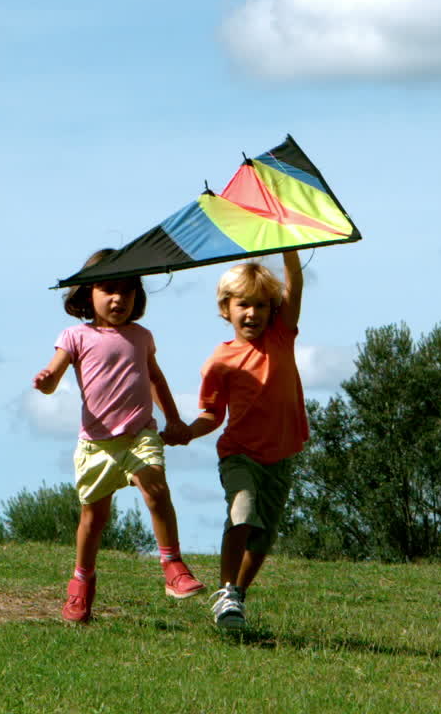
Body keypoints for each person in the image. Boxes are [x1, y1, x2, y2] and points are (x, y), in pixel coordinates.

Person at [33, 248, 204, 624]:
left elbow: (155, 378)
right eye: (108, 289)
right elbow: (54, 374)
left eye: (127, 291)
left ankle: (173, 566)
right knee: (93, 519)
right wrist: (46, 383)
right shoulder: (75, 336)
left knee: (156, 490)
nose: (118, 298)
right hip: (97, 445)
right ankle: (81, 585)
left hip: (139, 434)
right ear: (86, 294)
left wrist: (173, 419)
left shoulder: (141, 336)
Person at [172, 251, 308, 630]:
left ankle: (237, 597)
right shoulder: (221, 360)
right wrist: (187, 432)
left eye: (261, 305)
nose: (253, 313)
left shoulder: (281, 335)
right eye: (243, 305)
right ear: (226, 309)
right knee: (243, 513)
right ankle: (225, 591)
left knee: (262, 540)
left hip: (279, 458)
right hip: (240, 454)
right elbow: (212, 414)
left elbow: (294, 284)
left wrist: (289, 248)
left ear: (273, 309)